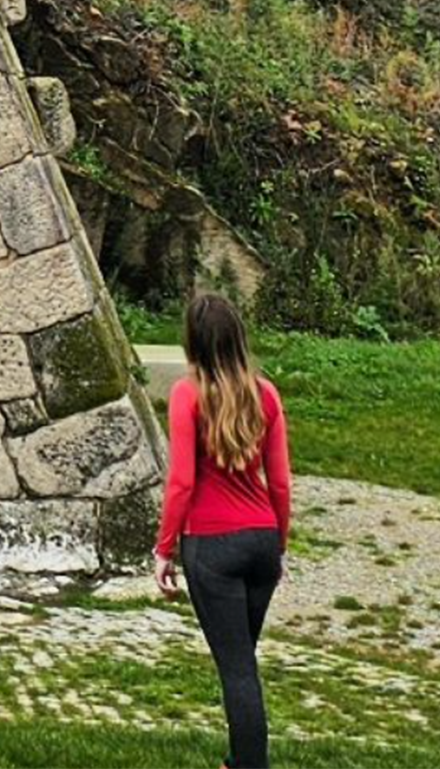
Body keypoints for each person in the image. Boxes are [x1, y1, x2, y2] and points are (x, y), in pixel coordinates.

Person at [154, 292, 293, 769]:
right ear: (237, 337)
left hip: (211, 549)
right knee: (242, 665)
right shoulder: (266, 394)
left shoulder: (187, 395)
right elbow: (279, 481)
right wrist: (280, 547)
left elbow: (181, 482)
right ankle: (239, 759)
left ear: (192, 343)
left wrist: (163, 549)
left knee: (237, 671)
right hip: (260, 543)